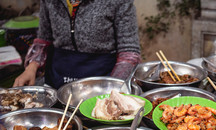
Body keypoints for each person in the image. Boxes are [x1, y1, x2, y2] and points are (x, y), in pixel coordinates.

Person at [13, 0, 141, 89]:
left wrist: (112, 86)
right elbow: (44, 39)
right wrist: (32, 67)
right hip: (59, 79)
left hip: (103, 78)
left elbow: (129, 51)